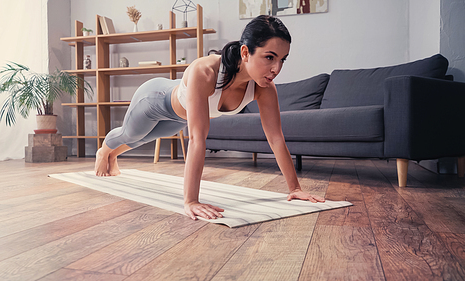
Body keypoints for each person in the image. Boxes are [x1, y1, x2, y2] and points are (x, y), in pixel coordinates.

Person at [94, 15, 326, 221]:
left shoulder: (264, 87)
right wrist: (191, 201)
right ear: (245, 52)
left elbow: (275, 138)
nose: (276, 68)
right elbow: (197, 139)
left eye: (282, 59)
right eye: (269, 57)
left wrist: (294, 188)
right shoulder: (205, 72)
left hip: (179, 118)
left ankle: (113, 156)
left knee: (142, 139)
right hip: (154, 100)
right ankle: (104, 151)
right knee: (131, 134)